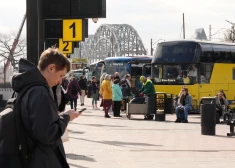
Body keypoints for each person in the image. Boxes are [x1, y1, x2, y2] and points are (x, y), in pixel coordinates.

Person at [11, 48, 81, 168]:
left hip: (30, 156)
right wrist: (66, 117)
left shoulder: (26, 86)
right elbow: (47, 134)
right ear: (51, 68)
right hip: (42, 159)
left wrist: (54, 116)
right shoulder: (40, 91)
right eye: (61, 75)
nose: (60, 81)